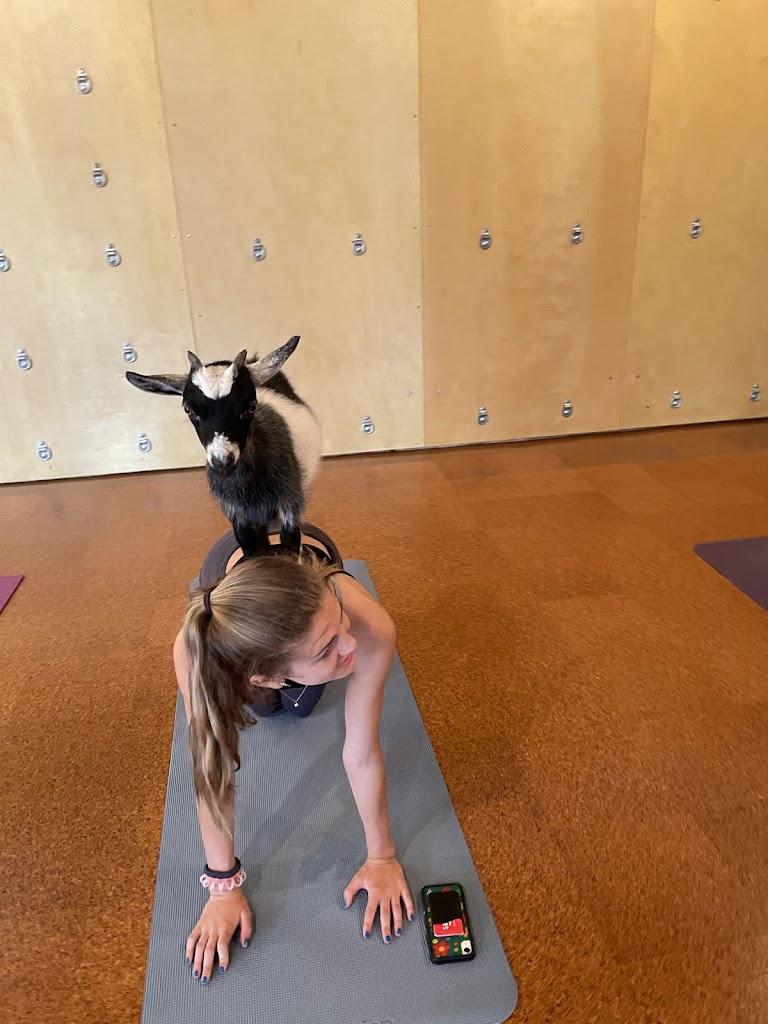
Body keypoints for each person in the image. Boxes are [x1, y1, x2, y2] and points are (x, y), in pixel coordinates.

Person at [173, 523, 415, 985]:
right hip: (245, 609)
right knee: (269, 710)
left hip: (303, 549)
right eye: (327, 648)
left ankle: (318, 637)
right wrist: (222, 888)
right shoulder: (195, 653)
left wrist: (382, 856)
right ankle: (296, 669)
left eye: (340, 624)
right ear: (264, 676)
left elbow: (361, 753)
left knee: (302, 708)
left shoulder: (370, 627)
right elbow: (212, 769)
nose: (350, 644)